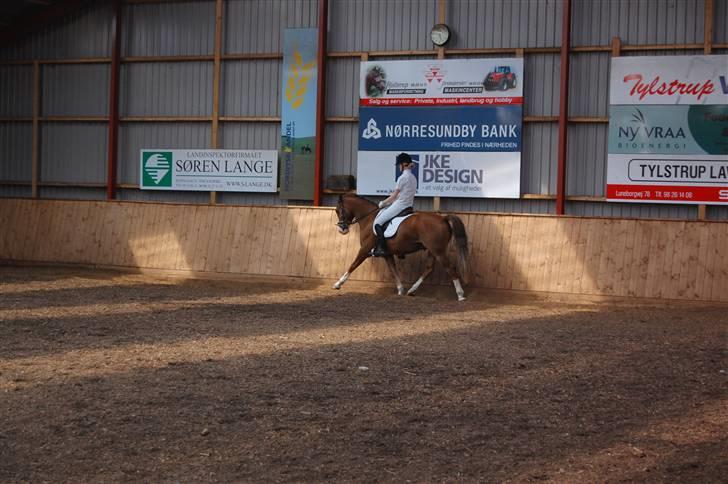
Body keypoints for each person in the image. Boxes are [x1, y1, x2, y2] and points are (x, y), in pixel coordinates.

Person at [371, 152, 417, 257]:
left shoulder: (402, 178)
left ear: (403, 164)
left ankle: (381, 248)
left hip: (400, 205)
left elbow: (394, 196)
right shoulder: (413, 178)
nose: (398, 167)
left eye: (399, 165)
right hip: (409, 206)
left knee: (378, 222)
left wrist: (383, 203)